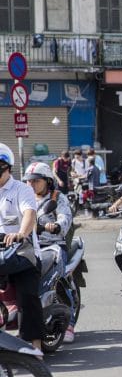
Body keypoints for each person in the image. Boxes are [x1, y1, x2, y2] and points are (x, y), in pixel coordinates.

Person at [24, 161, 77, 343]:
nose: (31, 185)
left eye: (36, 181)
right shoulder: (24, 197)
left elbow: (65, 218)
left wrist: (54, 226)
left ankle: (70, 322)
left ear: (47, 180)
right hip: (28, 244)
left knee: (58, 279)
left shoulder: (57, 197)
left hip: (53, 245)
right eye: (28, 181)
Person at [0, 144, 45, 351]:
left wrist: (21, 233)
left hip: (21, 252)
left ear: (7, 167)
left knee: (28, 297)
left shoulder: (22, 189)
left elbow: (29, 213)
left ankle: (35, 345)